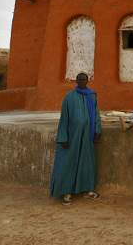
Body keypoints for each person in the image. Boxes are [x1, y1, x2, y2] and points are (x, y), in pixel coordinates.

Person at [50, 72, 102, 205]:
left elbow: (96, 114)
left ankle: (87, 190)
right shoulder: (69, 97)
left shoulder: (92, 96)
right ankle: (66, 192)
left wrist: (97, 130)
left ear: (87, 81)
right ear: (76, 81)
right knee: (68, 161)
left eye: (84, 79)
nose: (82, 81)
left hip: (87, 135)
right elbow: (64, 119)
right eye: (79, 79)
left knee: (86, 161)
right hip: (72, 136)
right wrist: (63, 137)